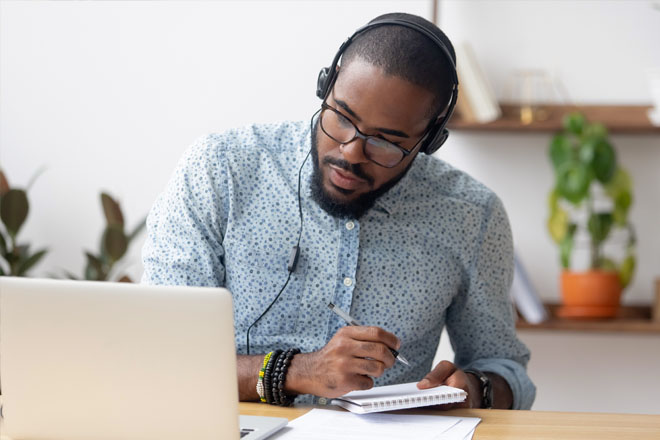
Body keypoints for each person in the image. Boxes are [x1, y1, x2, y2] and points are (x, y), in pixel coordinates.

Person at [142, 12, 535, 410]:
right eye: (342, 117)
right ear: (325, 87)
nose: (350, 151)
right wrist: (298, 371)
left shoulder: (472, 215)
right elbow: (157, 355)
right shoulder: (220, 170)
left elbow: (505, 370)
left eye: (386, 142)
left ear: (429, 141)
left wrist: (475, 388)